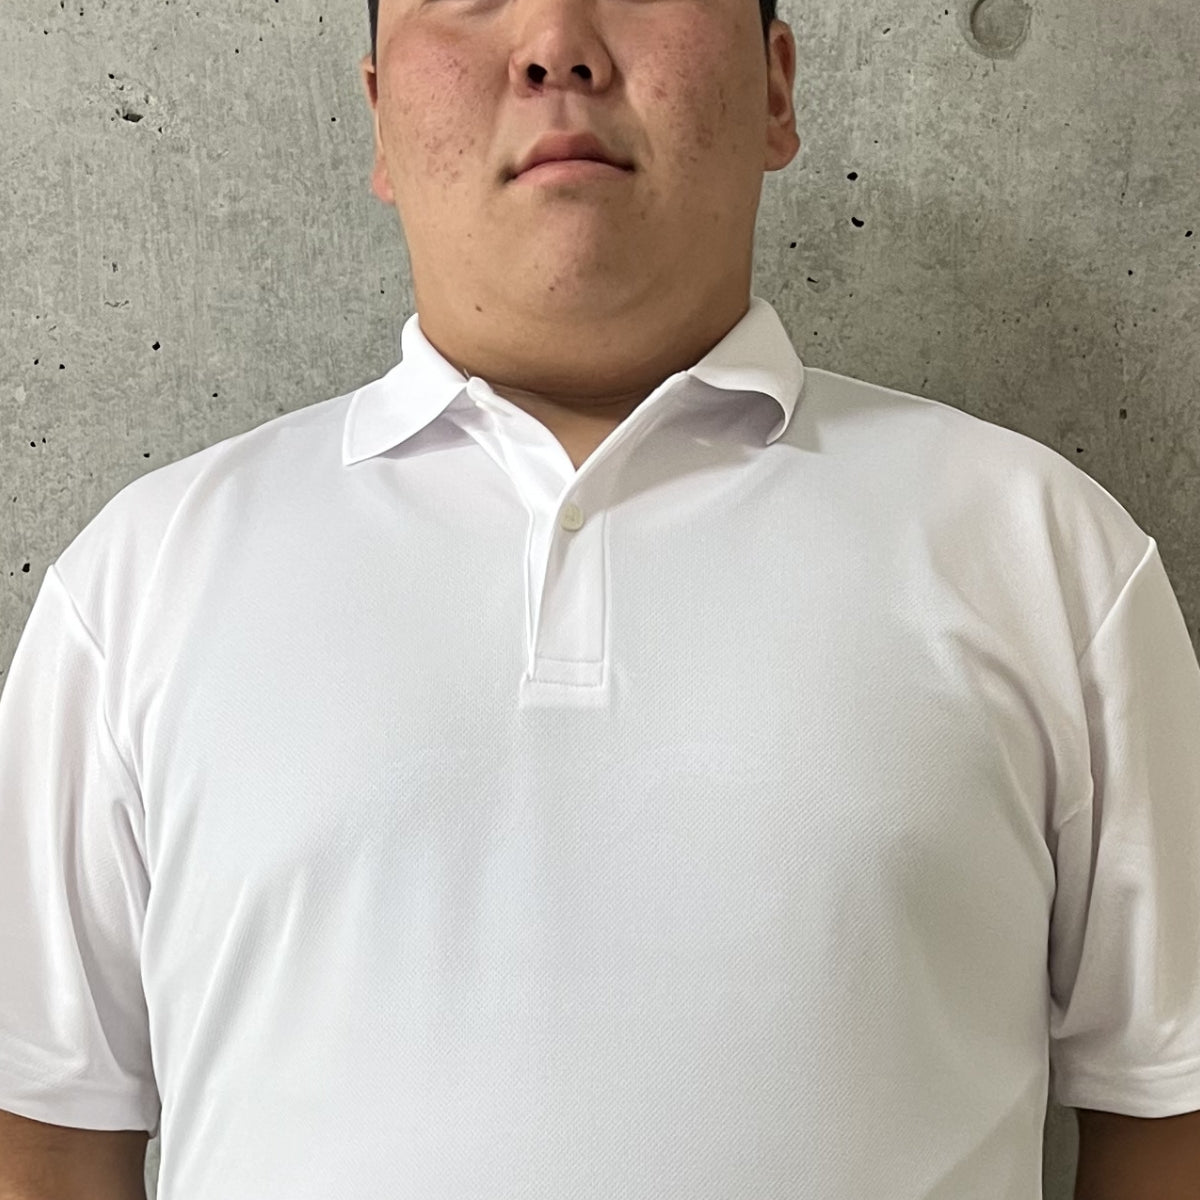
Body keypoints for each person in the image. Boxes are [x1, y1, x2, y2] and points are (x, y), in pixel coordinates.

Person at [1, 0, 1199, 1196]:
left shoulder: (1044, 557)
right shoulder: (139, 586)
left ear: (776, 89)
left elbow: (1169, 1110)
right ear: (378, 120)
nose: (554, 46)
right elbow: (48, 1137)